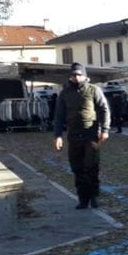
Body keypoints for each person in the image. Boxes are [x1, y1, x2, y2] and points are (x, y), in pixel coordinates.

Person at [53, 63, 110, 209]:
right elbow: (59, 115)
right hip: (74, 135)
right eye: (73, 75)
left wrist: (105, 129)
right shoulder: (64, 93)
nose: (76, 78)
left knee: (92, 166)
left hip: (90, 134)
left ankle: (94, 196)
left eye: (79, 75)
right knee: (77, 168)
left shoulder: (93, 90)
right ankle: (83, 198)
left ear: (84, 75)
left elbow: (104, 109)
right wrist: (58, 135)